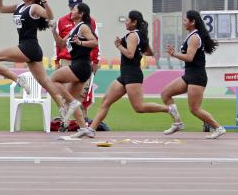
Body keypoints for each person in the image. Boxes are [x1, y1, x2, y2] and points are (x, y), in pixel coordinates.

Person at [72, 10, 179, 138]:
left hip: (132, 75)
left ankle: (169, 109)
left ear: (134, 22)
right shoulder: (140, 35)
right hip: (125, 75)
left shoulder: (133, 35)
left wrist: (119, 46)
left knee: (139, 107)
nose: (125, 23)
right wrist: (138, 51)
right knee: (106, 101)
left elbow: (130, 54)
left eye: (127, 20)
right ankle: (91, 129)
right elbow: (150, 52)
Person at [0, 0, 65, 108]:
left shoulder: (34, 7)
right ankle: (63, 107)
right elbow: (0, 9)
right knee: (45, 81)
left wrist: (44, 2)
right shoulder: (20, 6)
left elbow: (49, 16)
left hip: (29, 46)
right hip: (30, 48)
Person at [161, 10, 225, 139]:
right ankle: (177, 123)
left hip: (197, 77)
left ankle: (218, 128)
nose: (183, 23)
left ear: (193, 22)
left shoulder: (195, 37)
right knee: (165, 94)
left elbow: (189, 57)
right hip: (189, 75)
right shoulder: (192, 35)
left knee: (194, 109)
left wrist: (174, 54)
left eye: (185, 20)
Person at [50, 2, 98, 131]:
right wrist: (54, 31)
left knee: (53, 78)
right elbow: (61, 44)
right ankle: (84, 128)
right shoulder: (74, 29)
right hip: (80, 67)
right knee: (72, 102)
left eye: (74, 10)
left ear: (81, 14)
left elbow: (94, 42)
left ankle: (72, 104)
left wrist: (80, 42)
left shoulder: (83, 27)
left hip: (81, 65)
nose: (71, 11)